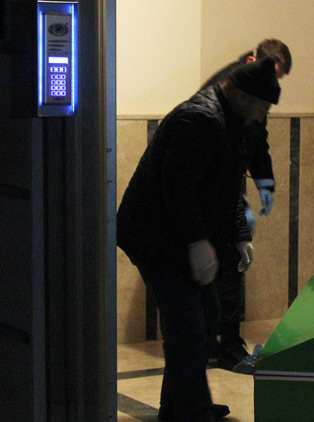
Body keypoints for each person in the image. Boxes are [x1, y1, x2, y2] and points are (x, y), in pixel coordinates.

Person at [116, 57, 280, 421]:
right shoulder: (199, 119)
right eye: (262, 107)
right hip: (152, 236)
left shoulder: (236, 120)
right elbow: (178, 189)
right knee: (188, 327)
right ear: (241, 96)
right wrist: (197, 242)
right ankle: (191, 410)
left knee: (206, 319)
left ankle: (178, 406)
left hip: (180, 233)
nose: (263, 115)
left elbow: (227, 185)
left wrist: (239, 235)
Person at [200, 39, 292, 371]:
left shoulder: (250, 89)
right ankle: (228, 346)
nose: (273, 85)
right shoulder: (225, 93)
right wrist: (238, 206)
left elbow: (257, 137)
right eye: (272, 75)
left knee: (225, 266)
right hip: (209, 191)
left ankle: (214, 342)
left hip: (219, 189)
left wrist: (264, 180)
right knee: (229, 266)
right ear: (254, 61)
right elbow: (217, 159)